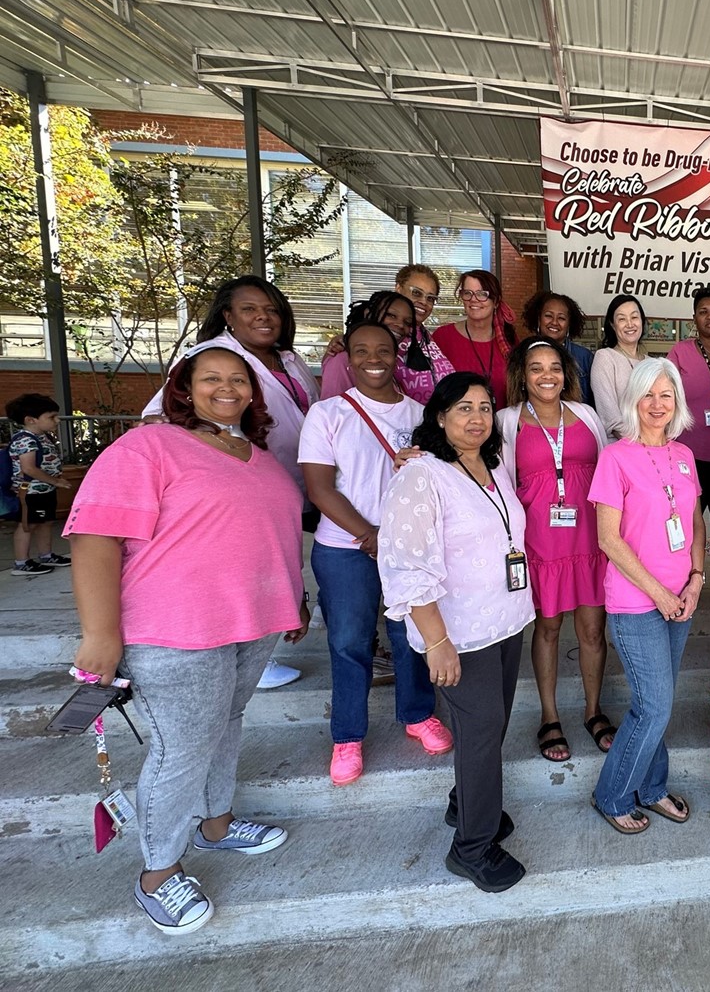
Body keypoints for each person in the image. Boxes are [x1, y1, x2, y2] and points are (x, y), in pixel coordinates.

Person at [65, 346, 309, 934]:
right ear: (183, 388)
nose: (227, 388)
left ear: (254, 393)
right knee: (182, 749)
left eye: (238, 380)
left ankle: (217, 824)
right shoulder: (148, 446)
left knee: (225, 722)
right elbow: (95, 535)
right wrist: (100, 634)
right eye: (211, 379)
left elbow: (265, 532)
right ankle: (157, 873)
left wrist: (292, 595)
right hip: (174, 628)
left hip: (250, 622)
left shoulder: (256, 455)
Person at [378, 372, 535, 892]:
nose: (476, 418)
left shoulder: (490, 465)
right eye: (463, 408)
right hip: (459, 632)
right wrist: (437, 641)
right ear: (440, 416)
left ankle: (464, 805)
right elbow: (406, 563)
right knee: (483, 730)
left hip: (504, 621)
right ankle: (471, 848)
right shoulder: (421, 474)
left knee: (488, 730)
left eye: (485, 408)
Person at [142, 275, 320, 689]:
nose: (263, 316)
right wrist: (216, 447)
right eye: (250, 309)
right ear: (227, 316)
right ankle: (253, 656)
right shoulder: (213, 355)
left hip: (285, 482)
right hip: (241, 482)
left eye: (271, 309)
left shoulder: (286, 359)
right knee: (248, 564)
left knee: (276, 560)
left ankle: (268, 640)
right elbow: (160, 413)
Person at [299, 322, 449, 787]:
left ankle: (417, 715)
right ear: (348, 358)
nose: (372, 358)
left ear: (396, 355)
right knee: (349, 642)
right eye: (361, 350)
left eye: (382, 350)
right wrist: (369, 533)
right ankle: (347, 736)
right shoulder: (327, 414)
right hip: (345, 549)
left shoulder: (422, 415)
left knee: (410, 638)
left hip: (408, 551)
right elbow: (320, 488)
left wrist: (394, 539)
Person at [587, 358, 705, 834]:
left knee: (661, 701)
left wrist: (697, 579)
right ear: (633, 400)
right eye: (648, 395)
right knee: (652, 705)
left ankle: (652, 788)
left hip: (682, 598)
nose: (657, 405)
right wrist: (660, 593)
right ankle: (612, 794)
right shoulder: (616, 456)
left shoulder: (685, 455)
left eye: (666, 394)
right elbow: (608, 540)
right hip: (638, 602)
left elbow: (695, 521)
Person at [497, 337, 612, 762]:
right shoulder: (506, 421)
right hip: (541, 544)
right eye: (536, 368)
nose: (547, 375)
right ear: (522, 377)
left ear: (567, 374)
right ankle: (549, 716)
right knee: (547, 629)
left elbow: (609, 470)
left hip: (589, 540)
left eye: (555, 367)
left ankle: (593, 710)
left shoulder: (585, 415)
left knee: (593, 632)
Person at [668, 287, 710, 542]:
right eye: (703, 312)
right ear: (694, 319)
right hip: (688, 456)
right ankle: (687, 576)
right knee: (686, 523)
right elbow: (667, 395)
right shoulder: (680, 352)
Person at [320, 290, 453, 405]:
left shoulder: (389, 356)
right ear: (369, 313)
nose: (400, 325)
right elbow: (332, 411)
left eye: (407, 322)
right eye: (391, 315)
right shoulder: (342, 357)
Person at [6, 393, 73, 576]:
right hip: (30, 492)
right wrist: (56, 481)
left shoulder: (42, 437)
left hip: (44, 490)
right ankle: (21, 562)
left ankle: (46, 555)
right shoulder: (25, 440)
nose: (57, 420)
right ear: (31, 420)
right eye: (51, 417)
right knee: (28, 525)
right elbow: (29, 468)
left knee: (45, 522)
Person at [432, 269, 518, 406]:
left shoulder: (508, 340)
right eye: (467, 293)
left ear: (495, 301)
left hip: (502, 423)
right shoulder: (442, 337)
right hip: (456, 423)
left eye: (482, 294)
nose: (473, 299)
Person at [590, 293, 649, 439]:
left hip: (652, 449)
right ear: (612, 325)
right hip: (621, 450)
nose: (630, 324)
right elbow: (611, 419)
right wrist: (644, 443)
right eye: (622, 319)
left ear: (642, 320)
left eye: (634, 317)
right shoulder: (605, 358)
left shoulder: (650, 363)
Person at [523, 290, 595, 405]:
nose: (554, 322)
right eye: (548, 316)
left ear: (569, 324)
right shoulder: (523, 353)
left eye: (561, 318)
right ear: (538, 319)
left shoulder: (585, 357)